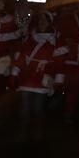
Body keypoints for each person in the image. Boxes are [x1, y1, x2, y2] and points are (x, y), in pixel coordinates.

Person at [10, 11, 68, 141]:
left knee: (38, 111)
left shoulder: (57, 39)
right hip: (26, 79)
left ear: (50, 22)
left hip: (42, 81)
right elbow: (21, 56)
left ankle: (37, 137)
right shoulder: (30, 37)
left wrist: (58, 82)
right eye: (40, 20)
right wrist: (14, 73)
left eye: (45, 20)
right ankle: (21, 138)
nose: (42, 23)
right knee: (24, 111)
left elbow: (60, 64)